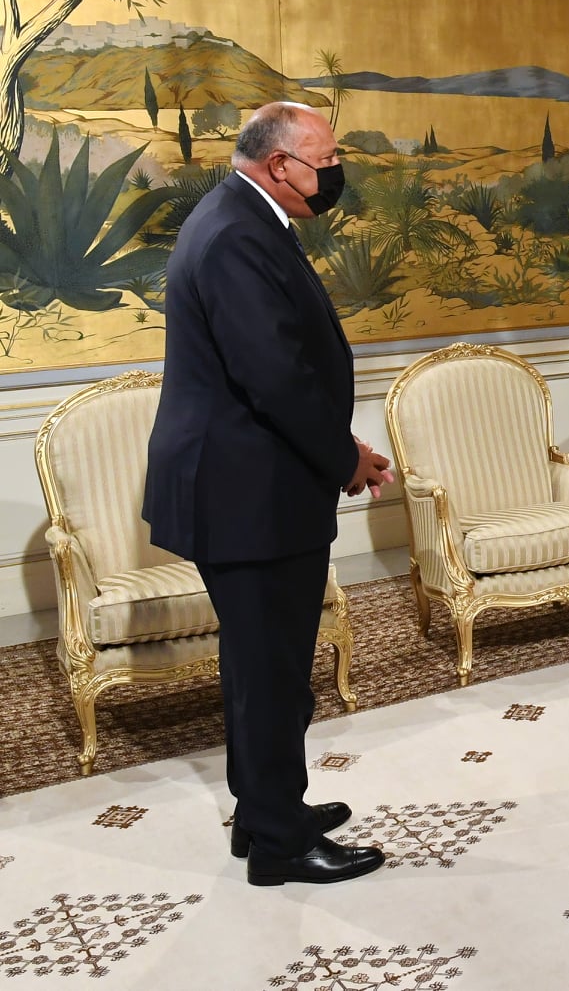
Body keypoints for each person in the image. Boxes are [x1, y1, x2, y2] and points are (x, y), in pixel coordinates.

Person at [143, 102, 391, 885]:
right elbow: (275, 377)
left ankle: (264, 814)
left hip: (252, 482)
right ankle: (281, 845)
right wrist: (345, 459)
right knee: (271, 670)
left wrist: (341, 449)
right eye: (327, 160)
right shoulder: (233, 235)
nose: (336, 173)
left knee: (263, 665)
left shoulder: (240, 218)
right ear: (280, 164)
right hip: (247, 492)